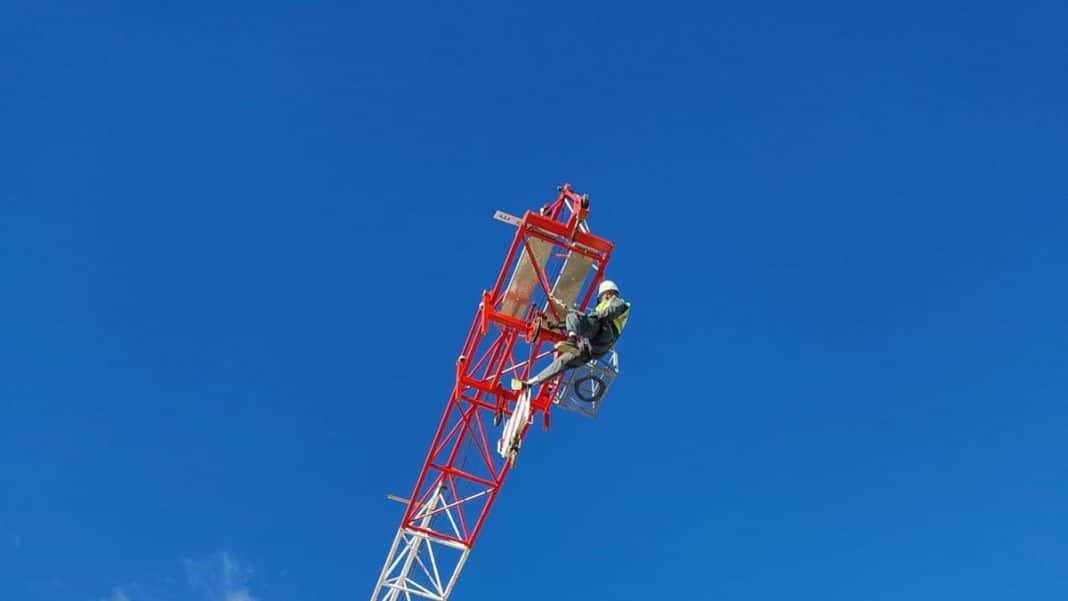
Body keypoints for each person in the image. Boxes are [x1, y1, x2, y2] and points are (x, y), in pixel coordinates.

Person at [511, 279, 630, 390]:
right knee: (563, 361)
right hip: (594, 348)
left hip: (604, 331)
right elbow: (579, 323)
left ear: (608, 294)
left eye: (603, 297)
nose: (603, 299)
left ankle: (572, 341)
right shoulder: (604, 307)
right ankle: (531, 383)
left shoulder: (619, 302)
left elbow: (611, 312)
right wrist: (557, 326)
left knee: (572, 315)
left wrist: (593, 317)